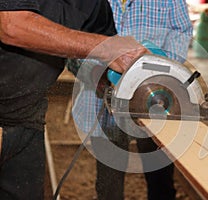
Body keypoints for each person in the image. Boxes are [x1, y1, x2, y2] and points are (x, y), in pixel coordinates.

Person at [0, 0, 147, 199]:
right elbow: (11, 25)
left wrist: (122, 79)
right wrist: (108, 49)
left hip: (26, 116)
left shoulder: (94, 5)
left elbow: (104, 52)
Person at [69, 0, 193, 199]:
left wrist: (162, 72)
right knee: (109, 186)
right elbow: (70, 42)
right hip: (103, 103)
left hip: (154, 104)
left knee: (160, 178)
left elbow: (181, 31)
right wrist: (94, 74)